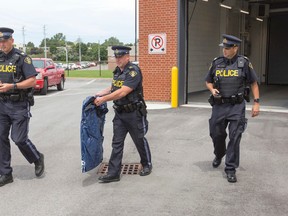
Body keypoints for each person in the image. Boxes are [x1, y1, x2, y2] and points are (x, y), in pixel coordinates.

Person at [205, 34, 260, 183]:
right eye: (224, 47)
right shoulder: (216, 63)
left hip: (236, 106)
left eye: (228, 48)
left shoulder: (244, 63)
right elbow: (208, 81)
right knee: (216, 134)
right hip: (219, 106)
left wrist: (256, 102)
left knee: (235, 137)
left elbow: (254, 83)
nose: (225, 50)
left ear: (236, 48)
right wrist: (212, 90)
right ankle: (219, 154)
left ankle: (230, 168)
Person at [94, 45, 152, 183]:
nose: (118, 59)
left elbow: (123, 92)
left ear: (128, 57)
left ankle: (146, 164)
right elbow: (115, 87)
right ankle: (113, 173)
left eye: (120, 57)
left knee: (139, 140)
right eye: (116, 57)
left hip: (134, 113)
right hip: (120, 114)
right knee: (117, 143)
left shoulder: (133, 72)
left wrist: (103, 99)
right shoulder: (118, 71)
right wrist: (101, 92)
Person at [0, 27, 44, 187]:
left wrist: (12, 86)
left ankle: (37, 158)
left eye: (4, 41)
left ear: (12, 40)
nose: (2, 44)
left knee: (18, 139)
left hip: (18, 104)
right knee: (0, 138)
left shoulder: (22, 58)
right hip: (1, 104)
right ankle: (5, 173)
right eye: (0, 42)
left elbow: (32, 81)